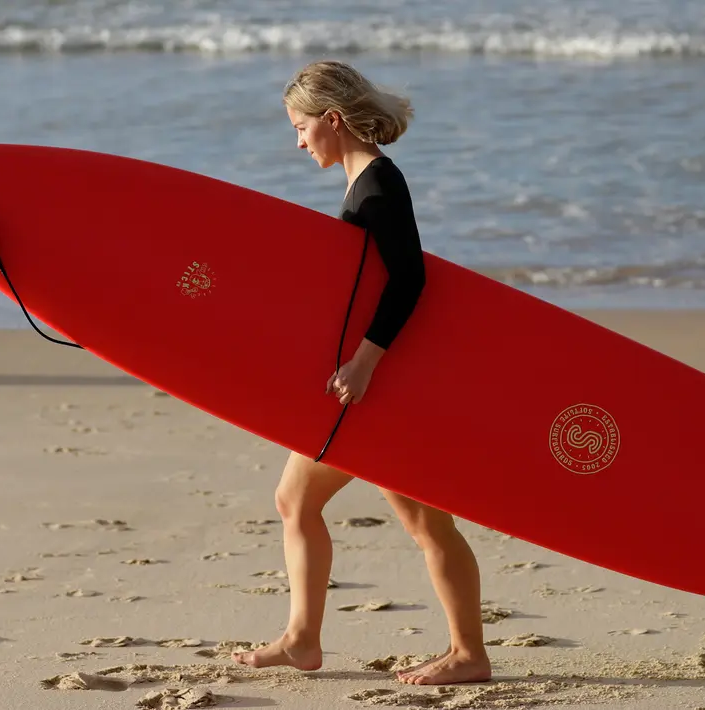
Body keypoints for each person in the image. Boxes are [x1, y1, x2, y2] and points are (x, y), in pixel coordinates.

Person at [230, 59, 492, 687]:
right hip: (373, 383)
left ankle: (461, 653)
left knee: (377, 514)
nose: (297, 141)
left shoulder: (377, 186)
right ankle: (309, 639)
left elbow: (410, 279)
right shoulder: (364, 183)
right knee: (331, 506)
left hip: (374, 385)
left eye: (300, 127)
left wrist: (365, 362)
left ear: (333, 119)